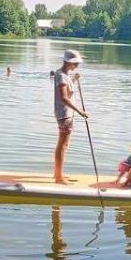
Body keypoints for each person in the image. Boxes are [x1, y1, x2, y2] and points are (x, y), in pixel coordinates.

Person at [53, 49, 88, 184]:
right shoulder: (61, 75)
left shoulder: (64, 75)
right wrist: (80, 111)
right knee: (62, 145)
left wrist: (74, 79)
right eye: (75, 64)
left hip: (67, 114)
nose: (77, 66)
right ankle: (58, 177)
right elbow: (63, 98)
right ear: (68, 62)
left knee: (64, 145)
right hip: (64, 115)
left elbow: (68, 88)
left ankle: (58, 174)